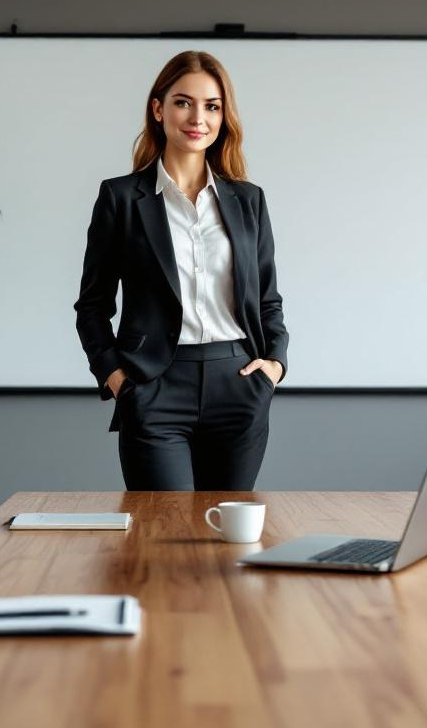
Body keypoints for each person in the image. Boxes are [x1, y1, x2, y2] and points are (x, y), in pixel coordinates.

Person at [74, 50, 289, 492]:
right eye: (183, 102)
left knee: (226, 543)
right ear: (158, 109)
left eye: (212, 106)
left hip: (239, 386)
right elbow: (92, 306)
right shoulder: (120, 198)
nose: (198, 118)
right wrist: (118, 380)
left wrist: (275, 367)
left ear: (224, 115)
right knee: (161, 538)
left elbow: (268, 299)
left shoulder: (249, 201)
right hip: (154, 388)